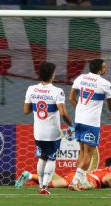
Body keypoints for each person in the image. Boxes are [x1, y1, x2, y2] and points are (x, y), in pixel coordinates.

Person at [23, 62, 75, 194]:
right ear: (52, 75)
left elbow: (26, 111)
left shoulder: (31, 89)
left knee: (42, 157)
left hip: (38, 132)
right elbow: (63, 113)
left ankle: (41, 186)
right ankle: (45, 186)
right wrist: (71, 125)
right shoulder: (58, 91)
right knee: (51, 158)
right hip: (52, 132)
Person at [68, 59, 111, 191]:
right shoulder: (105, 83)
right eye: (105, 67)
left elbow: (71, 98)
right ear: (100, 70)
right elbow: (110, 104)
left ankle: (83, 181)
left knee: (82, 152)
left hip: (78, 120)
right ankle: (75, 181)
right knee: (89, 153)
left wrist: (80, 110)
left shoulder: (81, 78)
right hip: (91, 123)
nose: (106, 69)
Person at [15, 158, 111, 190]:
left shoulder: (98, 170)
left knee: (50, 184)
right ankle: (80, 186)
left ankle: (29, 175)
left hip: (76, 174)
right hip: (87, 179)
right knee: (91, 186)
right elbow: (105, 180)